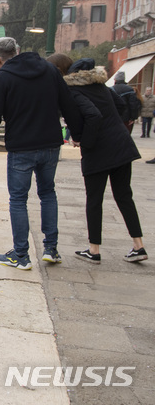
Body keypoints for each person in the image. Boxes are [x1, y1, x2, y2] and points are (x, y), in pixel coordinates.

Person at [0, 37, 83, 270]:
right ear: (18, 51)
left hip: (21, 147)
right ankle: (51, 249)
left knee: (18, 200)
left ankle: (21, 255)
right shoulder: (49, 70)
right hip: (51, 144)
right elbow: (68, 103)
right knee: (47, 193)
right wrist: (77, 134)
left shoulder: (1, 79)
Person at [64, 58, 148, 263]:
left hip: (99, 150)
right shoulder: (104, 88)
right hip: (121, 144)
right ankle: (139, 246)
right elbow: (121, 107)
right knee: (124, 196)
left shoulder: (75, 92)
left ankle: (94, 250)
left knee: (94, 199)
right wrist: (113, 127)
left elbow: (93, 116)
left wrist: (84, 141)